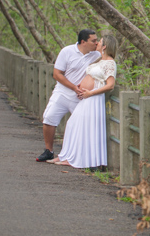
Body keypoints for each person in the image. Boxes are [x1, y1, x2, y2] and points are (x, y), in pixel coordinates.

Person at [48, 35, 117, 168]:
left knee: (82, 127)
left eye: (100, 42)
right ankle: (66, 156)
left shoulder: (110, 62)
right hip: (86, 97)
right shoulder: (98, 60)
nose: (97, 43)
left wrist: (90, 92)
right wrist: (80, 88)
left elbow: (110, 85)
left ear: (104, 46)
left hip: (94, 98)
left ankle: (75, 158)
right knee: (73, 124)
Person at [35, 29, 101, 162]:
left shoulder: (96, 54)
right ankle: (49, 150)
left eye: (97, 40)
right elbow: (57, 74)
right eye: (93, 40)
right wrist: (73, 87)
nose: (96, 43)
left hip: (81, 97)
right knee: (49, 117)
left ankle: (77, 155)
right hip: (63, 92)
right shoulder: (67, 51)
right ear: (83, 42)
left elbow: (109, 57)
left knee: (79, 125)